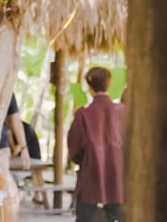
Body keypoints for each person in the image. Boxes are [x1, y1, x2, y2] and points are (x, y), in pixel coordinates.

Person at [68, 67, 125, 222]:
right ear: (109, 84)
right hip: (119, 180)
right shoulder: (122, 112)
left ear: (90, 88)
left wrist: (89, 160)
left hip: (90, 180)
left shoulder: (82, 114)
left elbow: (74, 150)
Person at [0, 93, 32, 169]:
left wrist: (22, 147)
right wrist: (23, 147)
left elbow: (14, 120)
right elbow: (14, 119)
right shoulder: (6, 86)